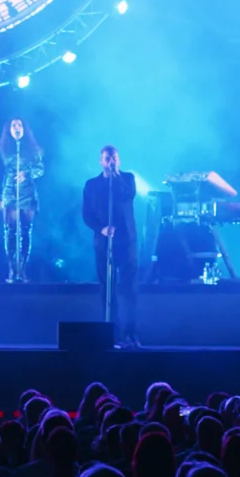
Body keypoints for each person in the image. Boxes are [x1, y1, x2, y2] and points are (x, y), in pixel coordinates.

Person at [82, 145, 140, 346]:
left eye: (114, 157)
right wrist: (102, 228)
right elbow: (86, 215)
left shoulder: (128, 179)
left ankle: (131, 333)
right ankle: (112, 333)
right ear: (101, 161)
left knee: (129, 288)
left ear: (119, 160)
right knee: (108, 289)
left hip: (126, 241)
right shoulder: (91, 185)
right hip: (104, 242)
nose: (111, 161)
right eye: (107, 158)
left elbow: (128, 195)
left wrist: (116, 176)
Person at [0, 119, 45, 283]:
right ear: (9, 130)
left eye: (19, 125)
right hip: (10, 192)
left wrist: (27, 173)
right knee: (10, 232)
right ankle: (12, 267)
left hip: (27, 192)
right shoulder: (3, 150)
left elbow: (40, 169)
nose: (17, 128)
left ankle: (23, 267)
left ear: (24, 129)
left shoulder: (32, 150)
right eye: (13, 125)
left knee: (25, 231)